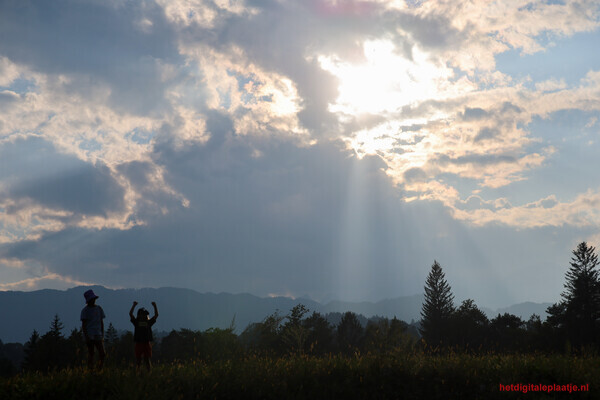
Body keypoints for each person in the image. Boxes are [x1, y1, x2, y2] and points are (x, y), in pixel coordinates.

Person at [129, 300, 158, 371]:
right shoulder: (137, 322)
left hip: (146, 343)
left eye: (145, 314)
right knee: (138, 360)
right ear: (139, 315)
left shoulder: (147, 322)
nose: (144, 315)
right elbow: (130, 314)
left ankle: (148, 372)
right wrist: (134, 305)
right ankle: (138, 372)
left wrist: (155, 306)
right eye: (143, 314)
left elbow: (156, 315)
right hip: (139, 343)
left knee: (147, 359)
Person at [80, 289, 106, 369]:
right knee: (91, 353)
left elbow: (101, 322)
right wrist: (86, 336)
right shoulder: (85, 311)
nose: (93, 301)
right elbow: (84, 325)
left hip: (98, 333)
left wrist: (102, 333)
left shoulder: (99, 309)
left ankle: (99, 369)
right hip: (90, 334)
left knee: (102, 353)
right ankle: (90, 370)